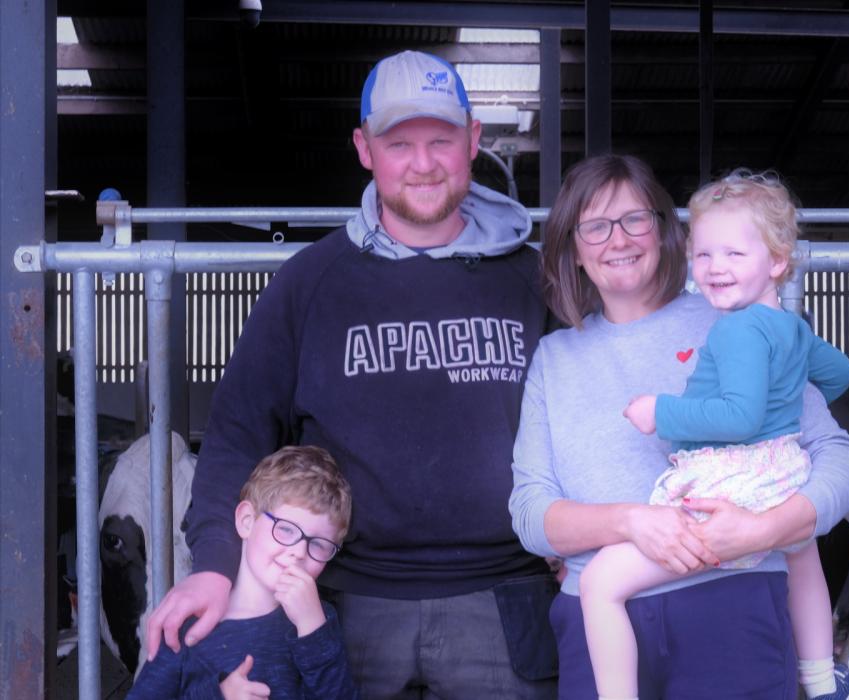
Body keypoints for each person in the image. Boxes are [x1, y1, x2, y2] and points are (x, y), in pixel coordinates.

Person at [146, 50, 558, 698]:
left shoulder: (534, 281)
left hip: (505, 600)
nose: (422, 164)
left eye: (441, 140)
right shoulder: (309, 284)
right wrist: (215, 566)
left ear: (473, 140)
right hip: (340, 606)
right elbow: (235, 434)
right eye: (400, 143)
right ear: (365, 149)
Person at [509, 154, 849, 700]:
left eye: (635, 219)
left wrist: (767, 529)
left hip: (731, 605)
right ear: (574, 250)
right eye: (595, 226)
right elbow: (532, 515)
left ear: (664, 231)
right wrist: (633, 522)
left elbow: (843, 459)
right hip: (599, 618)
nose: (618, 239)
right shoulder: (554, 358)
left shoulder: (735, 318)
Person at [128, 446, 358, 699]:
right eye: (286, 529)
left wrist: (313, 630)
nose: (300, 552)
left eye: (319, 544)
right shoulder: (188, 625)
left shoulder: (319, 620)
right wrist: (218, 695)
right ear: (247, 521)